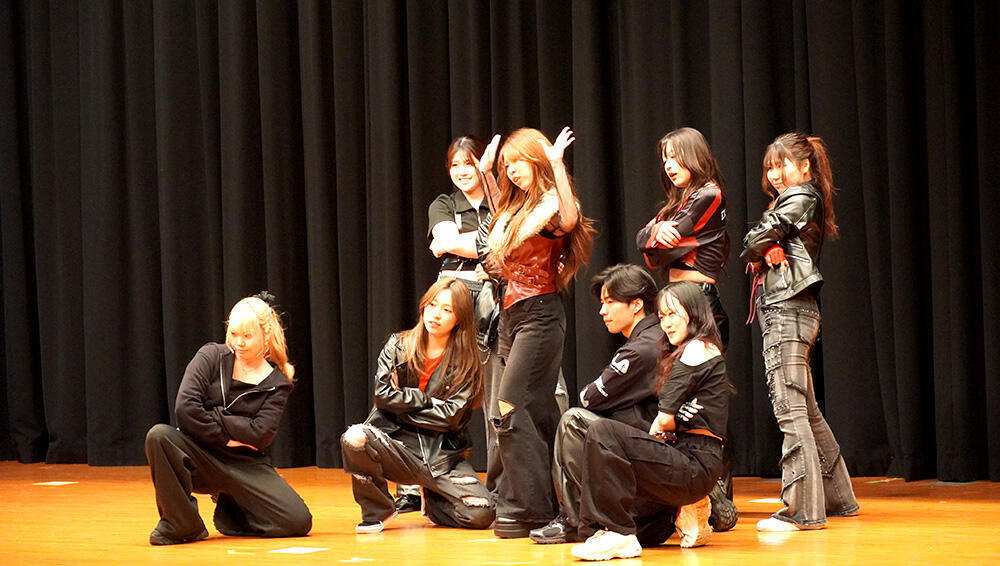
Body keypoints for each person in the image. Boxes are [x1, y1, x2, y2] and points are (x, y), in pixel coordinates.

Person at [476, 126, 596, 538]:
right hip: (512, 316)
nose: (511, 170)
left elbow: (569, 217)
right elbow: (502, 222)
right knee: (540, 414)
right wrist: (487, 173)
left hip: (540, 315)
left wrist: (558, 165)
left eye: (518, 162)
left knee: (507, 408)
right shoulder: (518, 209)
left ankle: (527, 507)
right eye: (507, 165)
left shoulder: (549, 207)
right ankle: (556, 504)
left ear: (537, 160)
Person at [740, 132, 859, 531]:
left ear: (805, 166)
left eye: (782, 165)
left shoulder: (800, 195)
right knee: (806, 410)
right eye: (770, 168)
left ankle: (802, 511)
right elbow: (765, 239)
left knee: (789, 409)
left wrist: (762, 243)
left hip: (787, 309)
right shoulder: (798, 199)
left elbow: (755, 238)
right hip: (796, 310)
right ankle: (840, 499)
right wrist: (767, 244)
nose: (775, 174)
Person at [570, 282, 732, 560]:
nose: (666, 324)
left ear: (694, 312)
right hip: (689, 458)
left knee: (603, 432)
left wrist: (659, 428)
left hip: (696, 464)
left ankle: (617, 533)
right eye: (662, 316)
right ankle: (683, 513)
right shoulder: (691, 349)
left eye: (673, 314)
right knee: (644, 529)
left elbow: (664, 419)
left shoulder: (697, 349)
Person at [144, 294, 312, 545]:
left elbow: (261, 434)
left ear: (265, 336)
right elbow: (185, 409)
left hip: (245, 463)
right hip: (201, 454)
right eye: (234, 334)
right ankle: (182, 524)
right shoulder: (210, 356)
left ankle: (232, 508)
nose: (239, 343)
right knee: (159, 436)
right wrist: (226, 437)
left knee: (298, 521)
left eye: (247, 336)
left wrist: (213, 414)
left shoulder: (278, 383)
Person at [635, 126, 737, 530]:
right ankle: (694, 500)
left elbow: (667, 244)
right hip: (679, 301)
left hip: (700, 304)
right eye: (664, 158)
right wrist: (657, 236)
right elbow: (647, 247)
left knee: (704, 404)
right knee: (673, 397)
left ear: (694, 155)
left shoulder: (709, 194)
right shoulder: (675, 204)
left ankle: (719, 501)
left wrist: (663, 239)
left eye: (675, 156)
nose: (669, 165)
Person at [387, 136, 496, 515]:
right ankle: (408, 484)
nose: (462, 171)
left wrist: (457, 245)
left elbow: (480, 245)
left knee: (491, 389)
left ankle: (499, 483)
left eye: (469, 162)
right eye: (455, 165)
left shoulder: (501, 200)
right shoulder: (444, 203)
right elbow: (449, 241)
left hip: (496, 297)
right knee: (427, 381)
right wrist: (479, 246)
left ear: (484, 164)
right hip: (454, 295)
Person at [340, 277, 494, 533]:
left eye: (447, 310)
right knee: (355, 437)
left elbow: (451, 417)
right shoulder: (398, 346)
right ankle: (379, 511)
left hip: (442, 456)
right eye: (432, 305)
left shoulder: (468, 359)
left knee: (481, 515)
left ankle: (434, 502)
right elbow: (382, 396)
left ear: (460, 318)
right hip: (396, 446)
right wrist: (424, 400)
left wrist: (399, 407)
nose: (436, 314)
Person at [529, 264, 661, 545]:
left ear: (636, 304)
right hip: (660, 458)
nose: (602, 311)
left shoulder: (641, 349)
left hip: (654, 461)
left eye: (610, 302)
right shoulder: (657, 336)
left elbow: (589, 397)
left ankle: (572, 520)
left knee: (574, 421)